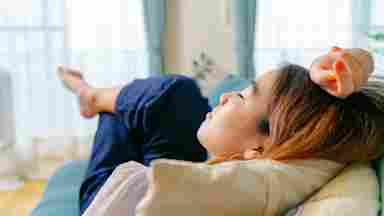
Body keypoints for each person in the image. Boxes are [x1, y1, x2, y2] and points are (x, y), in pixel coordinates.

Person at [58, 47, 384, 215]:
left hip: (144, 196)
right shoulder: (262, 155)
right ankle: (95, 97)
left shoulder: (258, 183)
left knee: (164, 97)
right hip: (186, 166)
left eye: (243, 95)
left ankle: (92, 96)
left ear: (258, 150)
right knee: (164, 99)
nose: (228, 95)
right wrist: (351, 62)